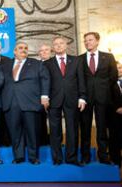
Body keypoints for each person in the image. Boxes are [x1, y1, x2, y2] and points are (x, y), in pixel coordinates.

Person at [0, 42, 50, 165]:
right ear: (14, 51)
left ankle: (33, 157)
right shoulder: (5, 65)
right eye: (20, 48)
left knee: (32, 131)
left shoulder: (36, 64)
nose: (23, 50)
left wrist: (44, 96)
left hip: (31, 102)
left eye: (26, 48)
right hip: (11, 102)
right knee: (15, 131)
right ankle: (18, 157)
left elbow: (45, 79)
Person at [44, 36, 86, 166]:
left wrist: (82, 97)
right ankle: (57, 158)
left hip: (72, 100)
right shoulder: (47, 63)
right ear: (53, 47)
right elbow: (46, 82)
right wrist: (45, 97)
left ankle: (71, 158)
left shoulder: (77, 61)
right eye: (55, 44)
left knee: (72, 129)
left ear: (66, 45)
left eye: (61, 43)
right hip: (54, 100)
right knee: (55, 131)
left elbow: (81, 80)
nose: (58, 46)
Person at [79, 32, 118, 165]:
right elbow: (78, 79)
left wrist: (104, 91)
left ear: (97, 41)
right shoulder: (80, 59)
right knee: (85, 128)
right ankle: (85, 156)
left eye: (90, 40)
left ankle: (103, 155)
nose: (87, 42)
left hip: (103, 98)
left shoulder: (108, 57)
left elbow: (113, 77)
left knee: (102, 128)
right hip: (85, 99)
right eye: (85, 40)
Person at [37, 43, 52, 146]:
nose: (44, 52)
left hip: (55, 96)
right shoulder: (36, 65)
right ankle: (43, 141)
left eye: (46, 50)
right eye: (42, 50)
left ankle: (56, 142)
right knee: (41, 120)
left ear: (50, 52)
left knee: (55, 121)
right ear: (39, 53)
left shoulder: (56, 63)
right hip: (40, 97)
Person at [110, 62, 122, 167]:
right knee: (115, 139)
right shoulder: (109, 84)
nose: (119, 70)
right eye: (116, 68)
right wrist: (116, 108)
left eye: (120, 68)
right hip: (114, 115)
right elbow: (107, 98)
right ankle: (116, 161)